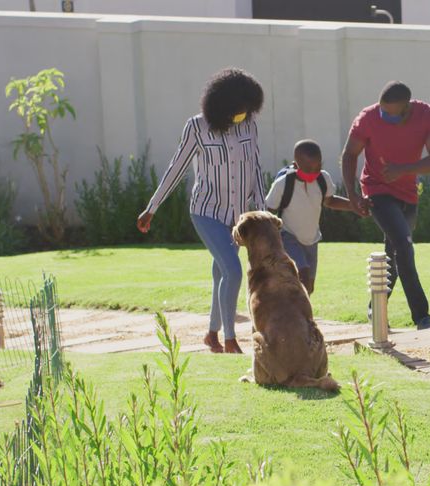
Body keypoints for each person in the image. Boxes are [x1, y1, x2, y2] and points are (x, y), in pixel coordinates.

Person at [136, 68, 265, 354]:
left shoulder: (249, 125)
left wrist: (264, 213)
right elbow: (176, 168)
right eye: (238, 111)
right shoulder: (197, 127)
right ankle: (230, 339)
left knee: (222, 274)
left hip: (237, 216)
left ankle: (211, 334)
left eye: (247, 111)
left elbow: (255, 168)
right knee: (232, 270)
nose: (242, 116)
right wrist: (152, 208)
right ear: (222, 107)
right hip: (206, 212)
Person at [340, 81, 430, 330]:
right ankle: (422, 316)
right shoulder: (367, 118)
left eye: (390, 113)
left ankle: (374, 309)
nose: (384, 116)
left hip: (408, 193)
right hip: (377, 190)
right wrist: (353, 194)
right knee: (403, 245)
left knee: (395, 253)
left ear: (407, 108)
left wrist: (403, 170)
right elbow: (349, 154)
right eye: (382, 110)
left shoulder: (428, 116)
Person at [266, 140, 359, 294]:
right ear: (296, 165)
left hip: (312, 240)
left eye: (317, 167)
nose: (313, 172)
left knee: (309, 286)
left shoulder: (323, 179)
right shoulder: (283, 183)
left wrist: (353, 205)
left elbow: (329, 201)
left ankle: (296, 314)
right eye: (308, 169)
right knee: (302, 275)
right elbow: (268, 210)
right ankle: (298, 317)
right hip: (288, 236)